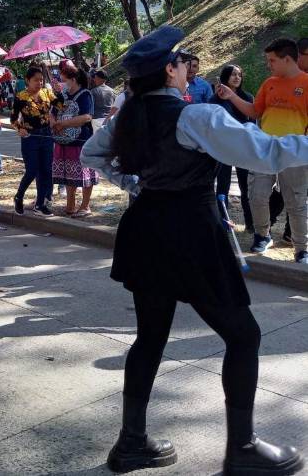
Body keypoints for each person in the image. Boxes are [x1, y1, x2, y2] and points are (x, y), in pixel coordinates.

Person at [81, 25, 307, 475]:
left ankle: (131, 443)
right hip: (193, 232)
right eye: (183, 60)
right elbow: (266, 154)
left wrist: (136, 184)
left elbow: (92, 154)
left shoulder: (126, 117)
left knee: (150, 337)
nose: (188, 67)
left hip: (146, 229)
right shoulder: (197, 117)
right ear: (169, 70)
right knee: (243, 335)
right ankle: (241, 449)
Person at [216, 38, 308, 263]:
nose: (269, 64)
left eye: (272, 60)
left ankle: (301, 248)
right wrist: (231, 96)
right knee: (257, 196)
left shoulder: (306, 83)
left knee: (296, 202)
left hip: (295, 153)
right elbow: (255, 112)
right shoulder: (269, 84)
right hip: (264, 150)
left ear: (287, 59)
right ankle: (262, 235)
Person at [209, 64, 254, 232]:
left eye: (239, 75)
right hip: (223, 150)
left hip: (242, 149)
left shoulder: (248, 97)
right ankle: (224, 223)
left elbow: (252, 123)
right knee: (223, 186)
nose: (237, 77)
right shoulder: (215, 99)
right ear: (225, 77)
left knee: (246, 188)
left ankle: (250, 224)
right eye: (233, 74)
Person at [52, 60, 98, 217]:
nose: (62, 83)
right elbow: (52, 112)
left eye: (64, 80)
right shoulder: (62, 96)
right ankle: (70, 204)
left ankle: (85, 206)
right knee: (68, 174)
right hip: (63, 141)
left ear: (73, 80)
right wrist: (54, 124)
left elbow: (86, 117)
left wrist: (63, 124)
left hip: (81, 141)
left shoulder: (85, 95)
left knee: (85, 174)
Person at [10, 67, 55, 215]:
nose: (39, 82)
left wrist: (58, 91)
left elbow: (61, 105)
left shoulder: (47, 93)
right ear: (27, 81)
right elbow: (13, 118)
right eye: (36, 80)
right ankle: (19, 196)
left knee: (46, 171)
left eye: (41, 79)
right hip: (30, 137)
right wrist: (19, 128)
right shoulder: (21, 97)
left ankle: (40, 204)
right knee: (32, 171)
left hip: (47, 135)